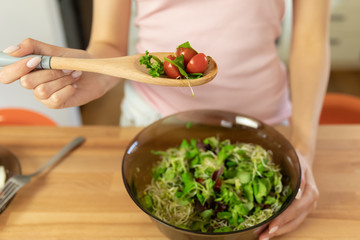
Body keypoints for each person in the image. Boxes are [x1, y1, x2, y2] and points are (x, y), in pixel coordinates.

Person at [0, 0, 330, 239]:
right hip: (151, 122)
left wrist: (303, 145)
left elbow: (311, 39)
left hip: (263, 121)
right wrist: (94, 71)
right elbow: (109, 42)